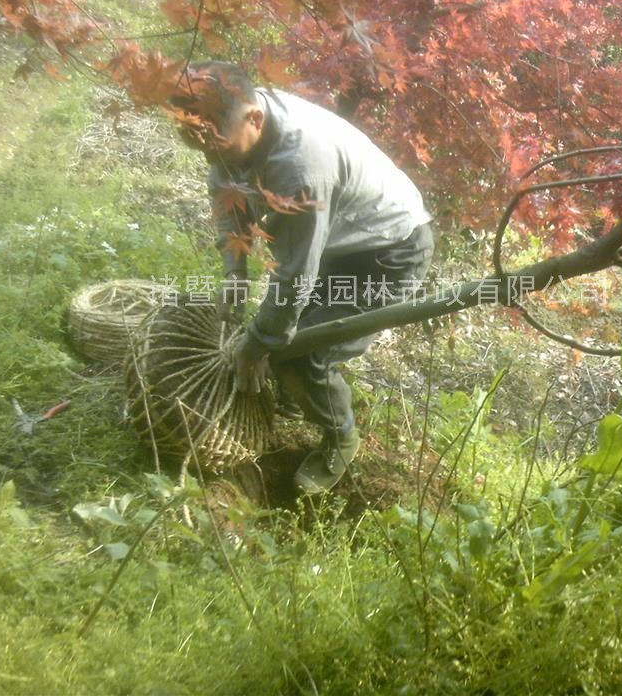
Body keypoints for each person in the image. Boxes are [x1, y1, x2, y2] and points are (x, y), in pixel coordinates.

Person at [169, 62, 433, 493]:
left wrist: (257, 345)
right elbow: (230, 214)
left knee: (302, 351)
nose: (210, 155)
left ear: (254, 118)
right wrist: (234, 286)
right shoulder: (229, 133)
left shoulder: (300, 166)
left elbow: (294, 275)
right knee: (285, 330)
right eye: (197, 143)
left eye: (217, 144)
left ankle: (341, 436)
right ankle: (296, 395)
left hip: (390, 253)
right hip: (342, 241)